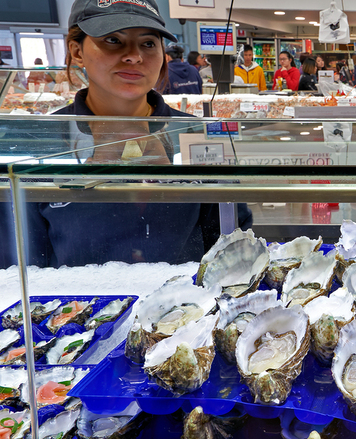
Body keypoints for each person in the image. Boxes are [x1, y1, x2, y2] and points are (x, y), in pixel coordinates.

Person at [21, 0, 251, 268]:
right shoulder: (37, 143)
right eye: (112, 39)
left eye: (148, 43)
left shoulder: (199, 136)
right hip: (79, 306)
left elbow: (231, 241)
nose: (134, 56)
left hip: (186, 303)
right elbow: (24, 264)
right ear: (76, 50)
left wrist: (172, 190)